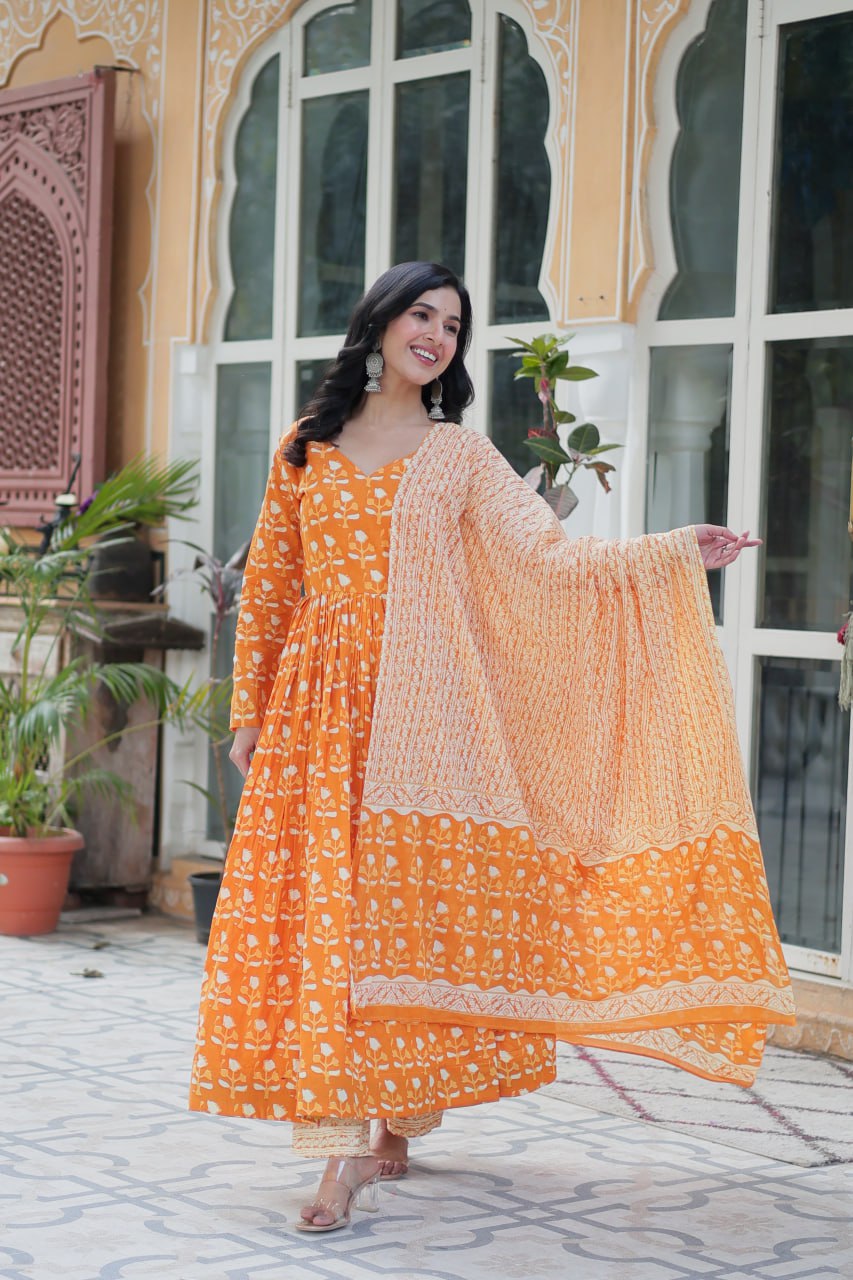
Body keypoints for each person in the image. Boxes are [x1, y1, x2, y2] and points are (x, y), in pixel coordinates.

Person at [189, 261, 794, 1233]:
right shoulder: (305, 446)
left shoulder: (459, 456)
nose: (435, 335)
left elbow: (550, 559)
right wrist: (248, 712)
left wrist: (672, 550)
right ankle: (342, 1146)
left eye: (452, 325)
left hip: (424, 721)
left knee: (402, 915)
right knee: (333, 916)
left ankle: (391, 1118)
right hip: (317, 713)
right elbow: (269, 587)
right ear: (379, 323)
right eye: (421, 315)